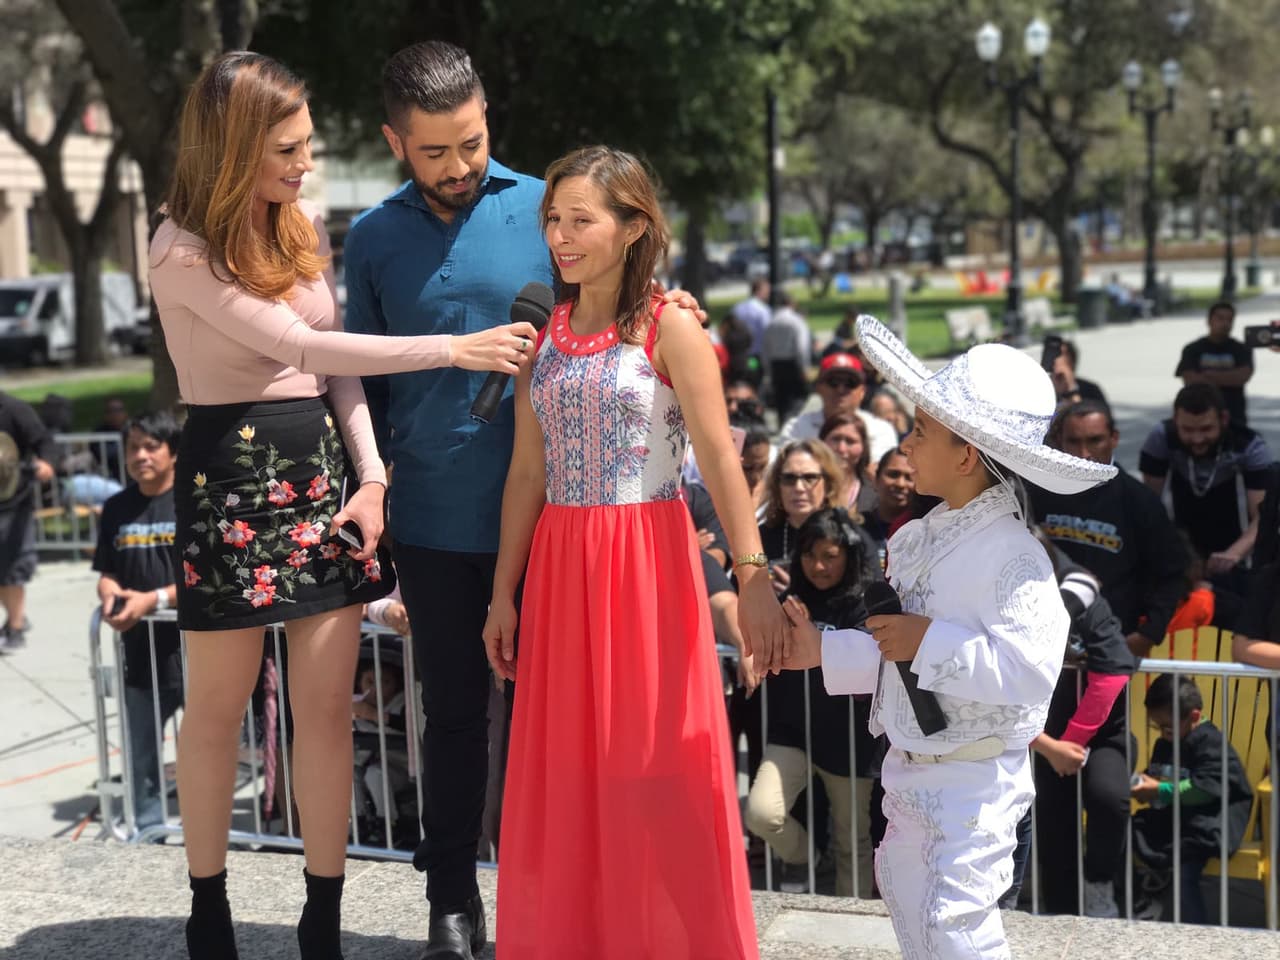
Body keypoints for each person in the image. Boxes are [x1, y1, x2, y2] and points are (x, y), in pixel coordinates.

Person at [149, 53, 534, 960]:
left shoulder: (298, 227)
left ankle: (320, 918)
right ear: (233, 148)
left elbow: (336, 371)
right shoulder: (179, 246)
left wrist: (370, 478)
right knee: (217, 711)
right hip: (229, 481)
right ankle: (209, 912)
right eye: (287, 149)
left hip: (320, 475)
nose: (306, 163)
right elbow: (298, 343)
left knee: (325, 711)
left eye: (307, 145)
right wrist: (453, 350)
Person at [481, 146, 787, 958]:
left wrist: (753, 574)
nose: (560, 235)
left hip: (647, 566)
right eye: (553, 218)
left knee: (654, 770)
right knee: (569, 774)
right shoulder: (543, 333)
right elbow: (527, 473)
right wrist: (504, 593)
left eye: (580, 219)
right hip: (560, 568)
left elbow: (719, 457)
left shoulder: (670, 324)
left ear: (633, 226)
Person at [780, 315, 1116, 960]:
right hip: (914, 770)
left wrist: (928, 640)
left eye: (921, 431)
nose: (907, 444)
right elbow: (897, 649)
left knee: (956, 928)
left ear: (965, 456)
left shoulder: (1014, 554)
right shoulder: (922, 538)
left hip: (974, 783)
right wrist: (821, 649)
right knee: (915, 912)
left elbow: (1028, 672)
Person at [744, 508, 882, 899]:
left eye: (830, 556)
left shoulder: (865, 604)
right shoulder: (788, 599)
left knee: (852, 842)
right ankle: (809, 859)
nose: (819, 566)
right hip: (793, 733)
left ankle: (851, 921)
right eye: (809, 555)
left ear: (848, 556)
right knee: (761, 813)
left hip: (850, 743)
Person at [1017, 537, 1137, 918]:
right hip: (1041, 739)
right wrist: (1050, 747)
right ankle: (1060, 915)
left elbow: (1112, 676)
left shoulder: (1085, 604)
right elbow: (996, 695)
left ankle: (1100, 883)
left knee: (1108, 798)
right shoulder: (1004, 610)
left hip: (1101, 735)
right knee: (1054, 828)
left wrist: (1071, 741)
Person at [1030, 400, 1187, 659]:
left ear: (1114, 438)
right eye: (1074, 441)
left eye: (1095, 440)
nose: (1084, 453)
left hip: (1109, 646)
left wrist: (1148, 634)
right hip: (1041, 643)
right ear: (1059, 441)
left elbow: (1171, 574)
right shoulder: (1036, 492)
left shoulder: (1139, 500)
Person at [93, 411, 183, 831]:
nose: (141, 456)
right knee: (141, 750)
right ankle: (148, 829)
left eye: (151, 446)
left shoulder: (191, 500)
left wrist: (153, 599)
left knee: (208, 747)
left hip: (194, 649)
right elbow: (108, 572)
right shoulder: (116, 507)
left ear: (173, 452)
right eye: (133, 448)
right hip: (140, 652)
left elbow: (205, 578)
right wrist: (109, 595)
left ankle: (211, 831)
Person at [1130, 674, 1252, 924]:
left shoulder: (1210, 744)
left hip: (1206, 825)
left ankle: (1195, 934)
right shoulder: (1166, 743)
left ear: (1194, 717)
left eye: (1167, 727)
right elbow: (1159, 775)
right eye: (1157, 727)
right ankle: (1141, 895)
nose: (1163, 734)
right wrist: (1142, 786)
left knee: (1184, 875)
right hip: (1174, 820)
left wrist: (1158, 790)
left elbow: (1205, 788)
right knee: (1123, 831)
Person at [1139, 384, 1272, 589]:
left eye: (1206, 429)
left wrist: (1234, 554)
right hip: (1181, 536)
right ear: (1175, 420)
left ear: (1224, 419)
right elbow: (1148, 504)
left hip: (1232, 538)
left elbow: (1263, 516)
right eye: (1187, 429)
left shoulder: (1249, 446)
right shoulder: (1162, 437)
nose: (1197, 439)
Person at [0, 390, 55, 653]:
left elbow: (44, 441)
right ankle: (16, 616)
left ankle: (16, 628)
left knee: (13, 565)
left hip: (13, 499)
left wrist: (46, 463)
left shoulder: (14, 409)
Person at [758, 439, 846, 596]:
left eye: (810, 478)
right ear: (778, 485)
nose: (799, 488)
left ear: (828, 484)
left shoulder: (849, 538)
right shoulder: (759, 539)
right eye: (789, 478)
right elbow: (739, 593)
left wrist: (797, 593)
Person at [779, 353, 898, 464]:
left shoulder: (880, 430)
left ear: (862, 391)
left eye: (850, 383)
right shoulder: (797, 428)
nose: (841, 389)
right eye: (833, 382)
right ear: (818, 388)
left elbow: (879, 473)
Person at [1175, 301, 1254, 428]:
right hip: (1199, 417)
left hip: (1234, 416)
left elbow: (1242, 377)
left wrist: (1207, 375)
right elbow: (1190, 380)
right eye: (1220, 318)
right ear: (1209, 321)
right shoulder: (1192, 349)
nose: (1225, 323)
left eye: (1229, 319)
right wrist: (1227, 377)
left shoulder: (1242, 349)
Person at [761, 291, 811, 422]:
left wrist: (768, 370)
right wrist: (804, 367)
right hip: (792, 364)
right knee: (797, 398)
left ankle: (783, 422)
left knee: (781, 400)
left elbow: (765, 348)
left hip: (776, 364)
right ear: (791, 303)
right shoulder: (796, 321)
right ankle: (792, 422)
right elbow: (801, 347)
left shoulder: (771, 322)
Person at [860, 448, 916, 558]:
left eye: (909, 478)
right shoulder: (856, 528)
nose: (900, 484)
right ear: (876, 479)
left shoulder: (926, 532)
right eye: (893, 474)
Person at [819, 413, 877, 516]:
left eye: (850, 441)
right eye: (835, 439)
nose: (841, 449)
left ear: (863, 447)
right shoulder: (805, 487)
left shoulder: (874, 494)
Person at [1048, 340, 1108, 410]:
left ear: (1071, 361)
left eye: (1059, 355)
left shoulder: (1091, 390)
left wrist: (1071, 389)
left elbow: (1099, 415)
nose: (1055, 359)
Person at [732, 277, 772, 363]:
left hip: (739, 355)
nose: (768, 294)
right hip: (756, 355)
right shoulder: (763, 310)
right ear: (758, 291)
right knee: (754, 369)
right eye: (766, 291)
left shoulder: (737, 307)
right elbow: (768, 332)